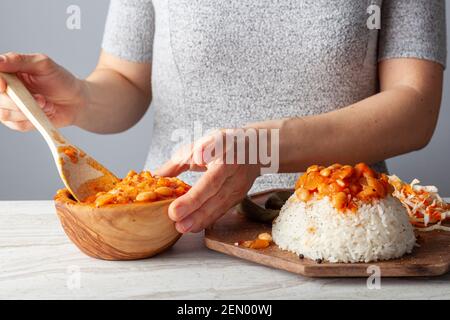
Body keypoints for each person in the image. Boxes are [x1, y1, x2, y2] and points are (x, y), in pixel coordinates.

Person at [0, 0, 446, 234]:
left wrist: (258, 147)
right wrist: (74, 100)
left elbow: (414, 107)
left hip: (343, 227)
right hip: (178, 231)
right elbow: (126, 81)